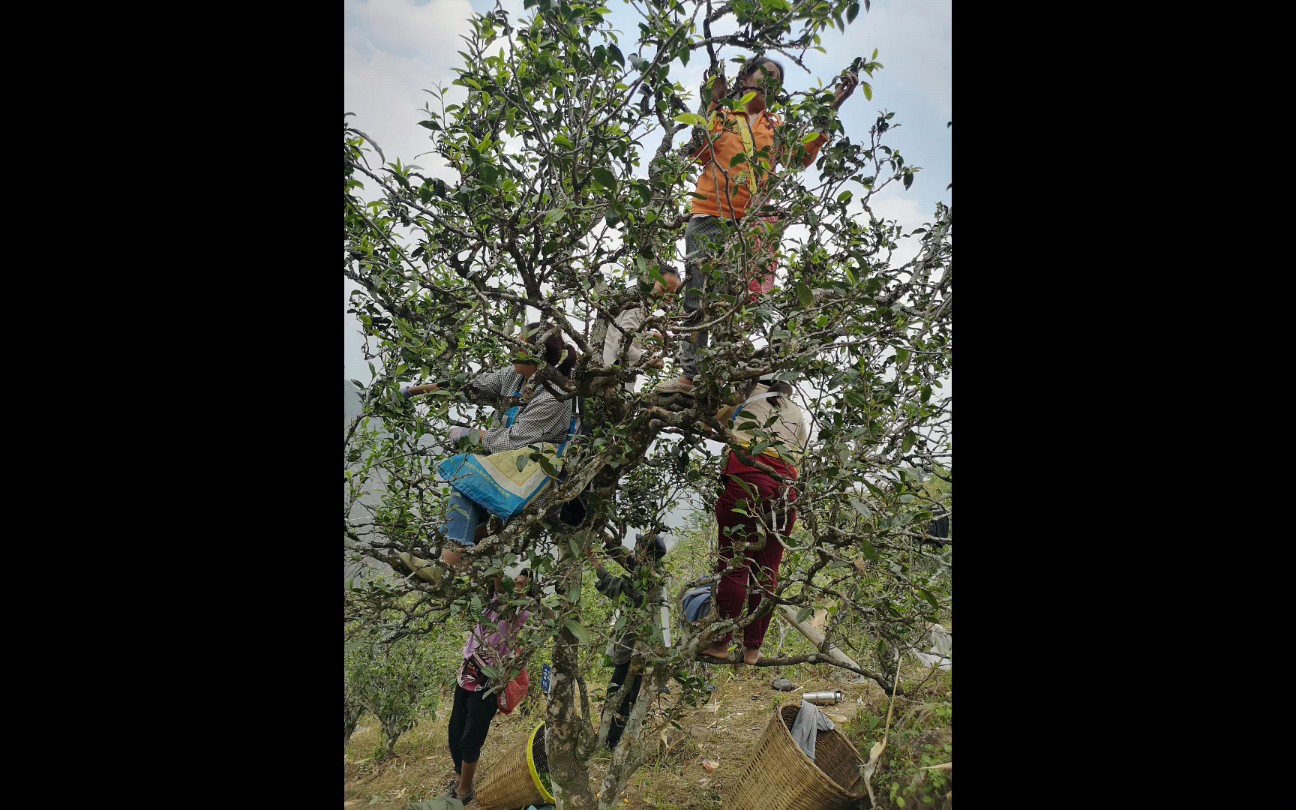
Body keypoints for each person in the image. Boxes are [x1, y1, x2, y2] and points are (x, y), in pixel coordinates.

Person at [655, 56, 860, 396]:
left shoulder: (774, 128)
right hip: (708, 216)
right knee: (695, 297)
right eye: (765, 73)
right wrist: (712, 101)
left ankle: (719, 377)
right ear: (745, 78)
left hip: (746, 226)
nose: (770, 80)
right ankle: (688, 377)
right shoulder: (721, 117)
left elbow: (800, 157)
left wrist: (834, 105)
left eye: (776, 78)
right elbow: (698, 152)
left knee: (730, 303)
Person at [398, 323, 578, 584]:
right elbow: (470, 387)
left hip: (538, 472)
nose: (513, 349)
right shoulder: (514, 377)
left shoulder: (555, 396)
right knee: (470, 486)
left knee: (467, 475)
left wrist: (472, 434)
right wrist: (415, 391)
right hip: (511, 465)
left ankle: (447, 566)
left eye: (520, 345)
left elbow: (511, 442)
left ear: (537, 354)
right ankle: (470, 554)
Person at [700, 377, 809, 665]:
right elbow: (799, 455)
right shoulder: (795, 410)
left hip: (748, 480)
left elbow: (707, 421)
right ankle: (752, 649)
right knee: (767, 571)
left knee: (735, 566)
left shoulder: (743, 394)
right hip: (787, 490)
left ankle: (722, 642)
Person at [445, 569, 535, 804]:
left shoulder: (520, 612)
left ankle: (464, 790)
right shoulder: (491, 605)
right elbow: (497, 588)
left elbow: (501, 589)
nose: (517, 583)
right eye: (515, 579)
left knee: (471, 737)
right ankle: (459, 775)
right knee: (455, 730)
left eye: (523, 582)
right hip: (467, 676)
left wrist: (500, 577)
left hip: (489, 684)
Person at [586, 533, 671, 750]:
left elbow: (618, 588)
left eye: (638, 548)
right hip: (638, 647)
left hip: (635, 648)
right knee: (628, 692)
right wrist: (608, 541)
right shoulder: (649, 571)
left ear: (645, 554)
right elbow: (628, 560)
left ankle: (611, 741)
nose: (634, 551)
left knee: (619, 692)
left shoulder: (650, 580)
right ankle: (617, 739)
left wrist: (597, 565)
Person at [600, 264, 682, 393]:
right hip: (610, 382)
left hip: (607, 377)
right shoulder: (636, 309)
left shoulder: (638, 306)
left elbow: (629, 335)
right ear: (651, 282)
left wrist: (651, 335)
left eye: (672, 294)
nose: (667, 297)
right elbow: (620, 346)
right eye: (663, 288)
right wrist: (649, 361)